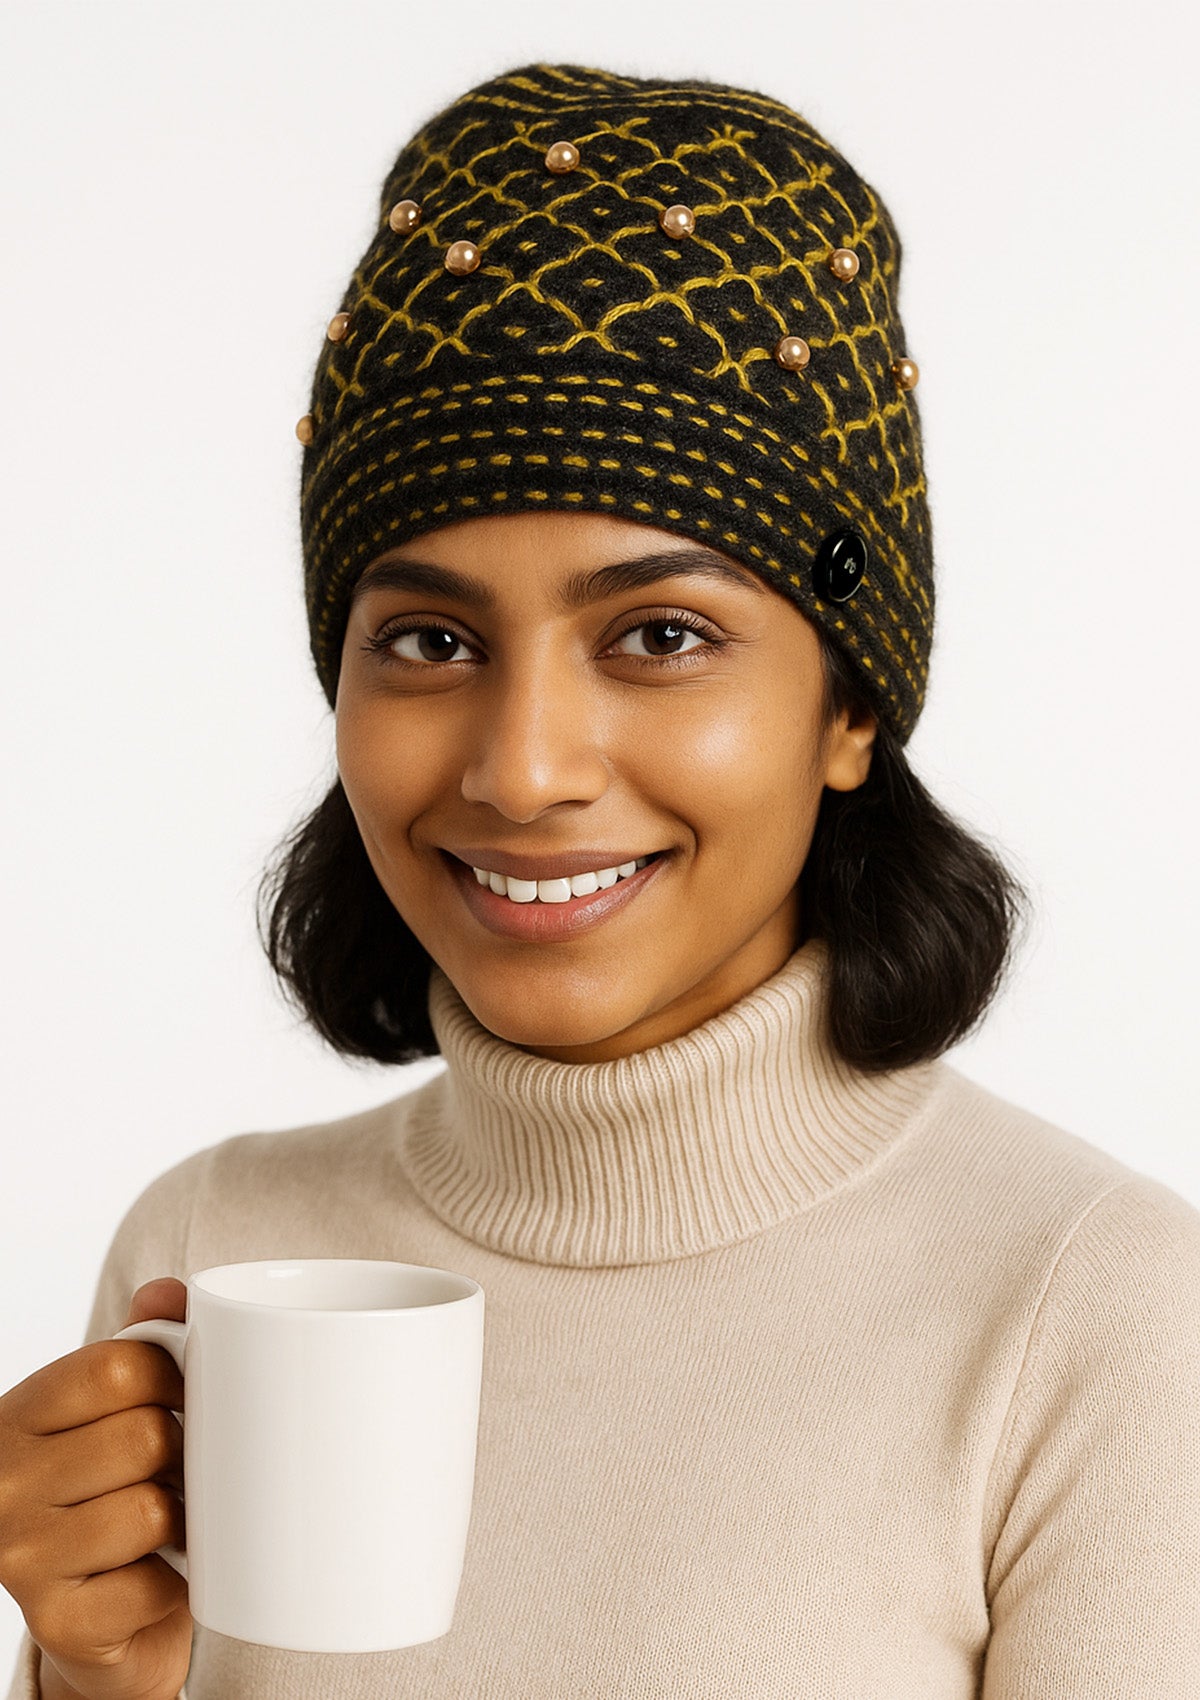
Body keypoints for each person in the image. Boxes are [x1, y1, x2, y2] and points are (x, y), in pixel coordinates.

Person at [2, 61, 1198, 1700]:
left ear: (850, 706)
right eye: (427, 640)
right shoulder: (214, 1245)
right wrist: (88, 1684)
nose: (520, 765)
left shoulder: (1102, 1320)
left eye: (660, 636)